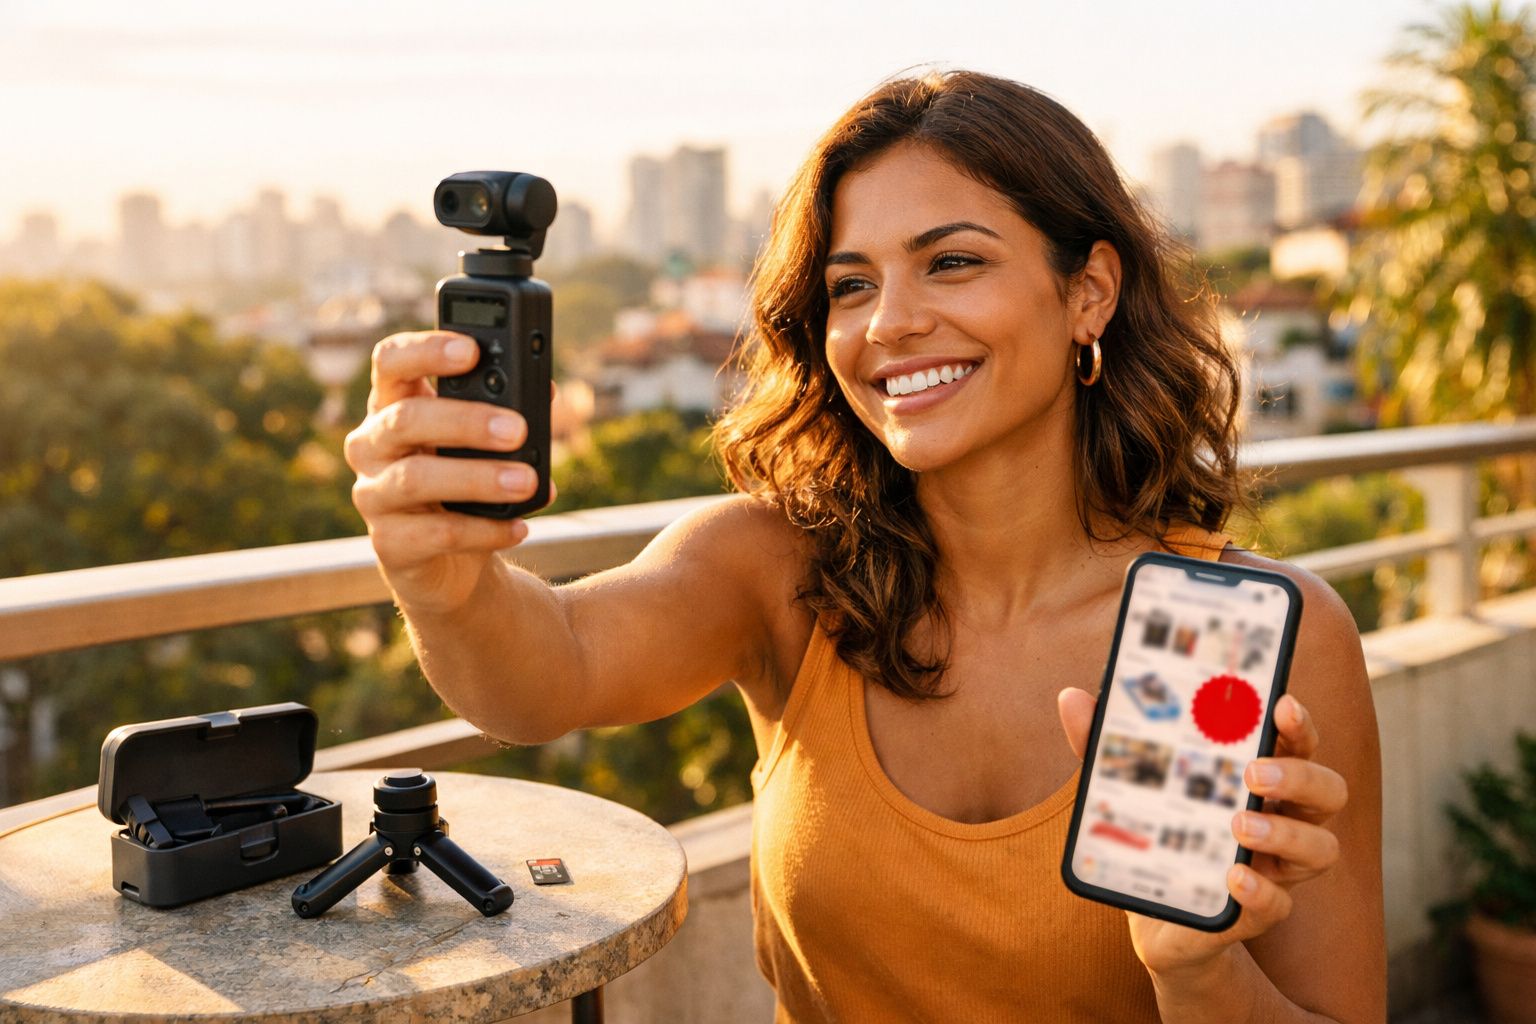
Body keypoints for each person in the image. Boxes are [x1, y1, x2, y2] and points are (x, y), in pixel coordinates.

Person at [345, 70, 1385, 1023]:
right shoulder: (777, 568)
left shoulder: (1270, 639)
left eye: (952, 262)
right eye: (850, 285)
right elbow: (544, 675)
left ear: (1089, 291)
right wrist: (443, 580)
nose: (890, 321)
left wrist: (1198, 972)